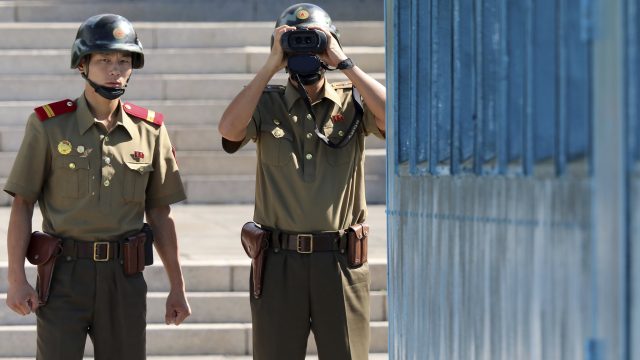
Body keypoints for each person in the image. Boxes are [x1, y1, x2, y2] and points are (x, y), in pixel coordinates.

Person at [4, 13, 191, 360]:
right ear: (82, 65)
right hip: (63, 277)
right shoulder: (48, 126)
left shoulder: (149, 131)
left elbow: (161, 215)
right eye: (104, 59)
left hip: (125, 278)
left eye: (123, 60)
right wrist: (17, 279)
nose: (115, 69)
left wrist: (177, 287)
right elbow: (22, 204)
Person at [218, 3, 386, 360]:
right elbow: (228, 129)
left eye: (313, 43)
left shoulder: (352, 101)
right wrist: (270, 66)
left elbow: (396, 117)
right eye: (295, 44)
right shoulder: (266, 104)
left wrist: (343, 61)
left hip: (341, 262)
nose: (305, 53)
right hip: (279, 261)